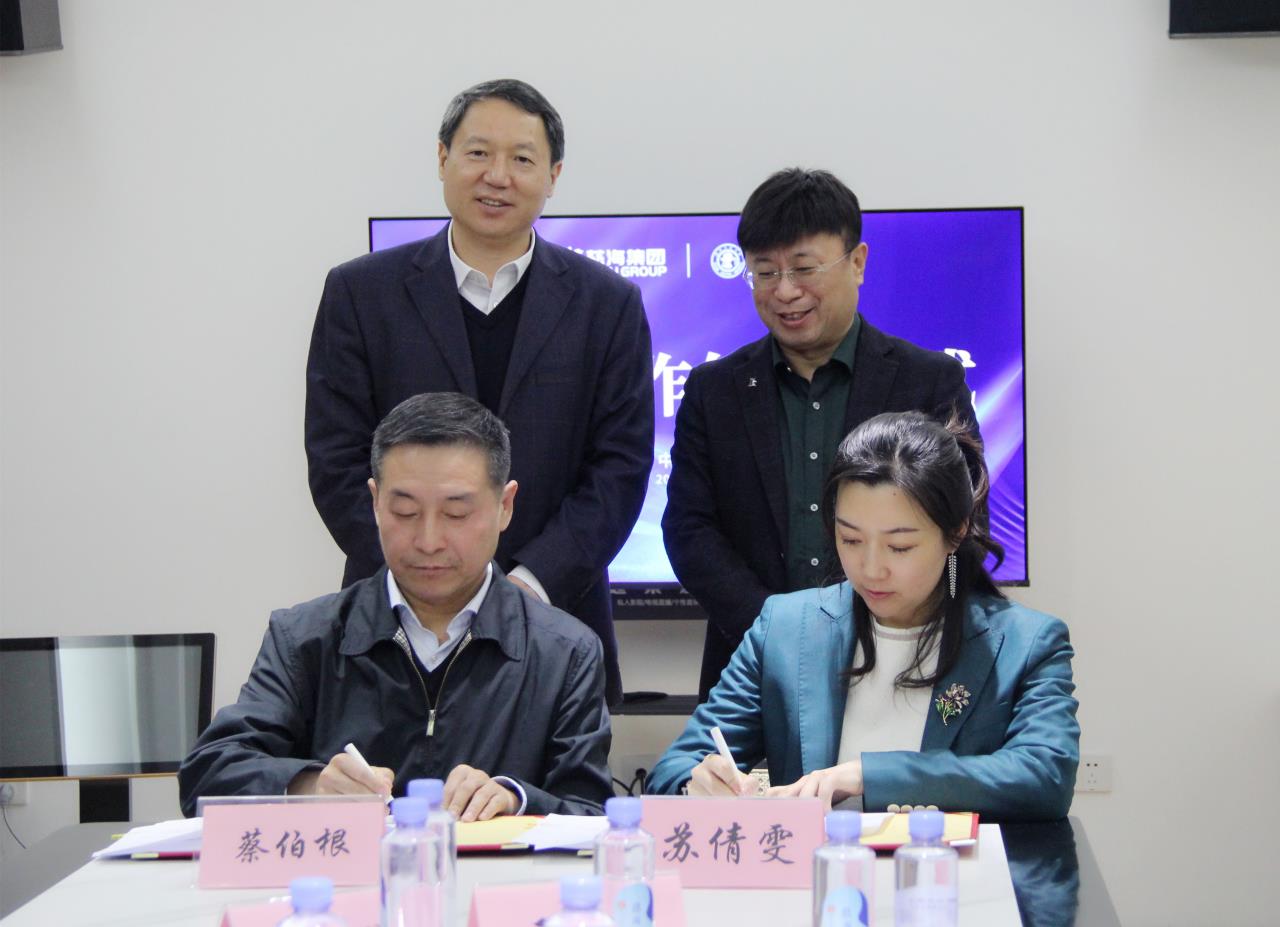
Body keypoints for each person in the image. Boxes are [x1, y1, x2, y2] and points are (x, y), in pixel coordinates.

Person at [305, 78, 653, 707]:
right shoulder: (360, 293)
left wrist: (527, 586)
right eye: (478, 153)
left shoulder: (608, 304)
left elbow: (621, 467)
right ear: (443, 159)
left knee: (557, 775)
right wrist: (424, 575)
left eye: (522, 158)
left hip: (555, 619)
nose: (498, 176)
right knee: (386, 773)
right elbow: (336, 459)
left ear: (553, 176)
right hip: (395, 624)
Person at [180, 393, 613, 819]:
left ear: (505, 507)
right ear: (375, 502)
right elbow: (209, 773)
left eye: (456, 514)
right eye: (405, 512)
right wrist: (310, 786)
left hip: (490, 868)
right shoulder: (306, 637)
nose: (428, 541)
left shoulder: (564, 653)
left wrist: (516, 800)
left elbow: (592, 813)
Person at [649, 412, 1078, 820]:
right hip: (817, 871)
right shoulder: (786, 627)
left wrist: (866, 775)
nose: (871, 569)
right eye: (851, 539)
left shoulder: (1025, 642)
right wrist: (697, 783)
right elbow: (674, 768)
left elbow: (1045, 777)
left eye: (900, 547)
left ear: (956, 531)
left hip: (956, 872)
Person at [662, 168, 980, 701]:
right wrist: (775, 629)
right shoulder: (714, 390)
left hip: (905, 664)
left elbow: (964, 522)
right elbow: (688, 530)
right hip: (751, 667)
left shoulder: (929, 381)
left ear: (857, 262)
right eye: (765, 273)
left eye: (804, 268)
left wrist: (881, 627)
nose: (785, 291)